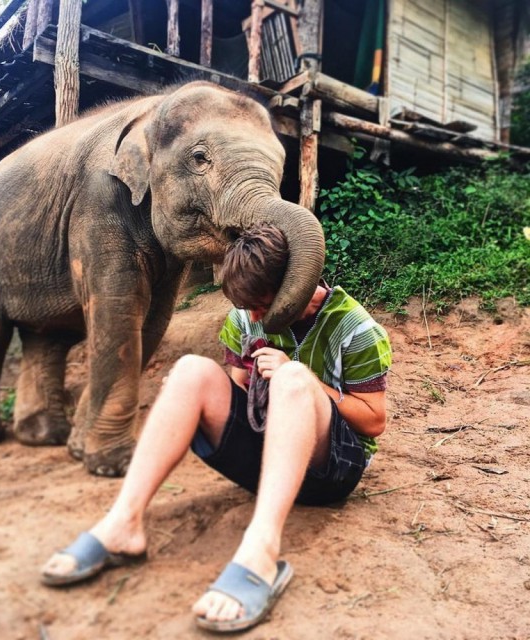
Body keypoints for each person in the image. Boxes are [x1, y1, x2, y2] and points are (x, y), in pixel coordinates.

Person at [41, 224, 392, 633]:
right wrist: (193, 401)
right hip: (267, 466)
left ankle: (260, 553)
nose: (256, 318)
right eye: (249, 308)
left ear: (295, 285)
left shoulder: (355, 328)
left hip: (330, 472)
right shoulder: (245, 317)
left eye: (263, 305)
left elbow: (374, 420)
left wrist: (310, 383)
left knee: (294, 378)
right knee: (191, 370)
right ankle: (123, 524)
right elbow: (238, 392)